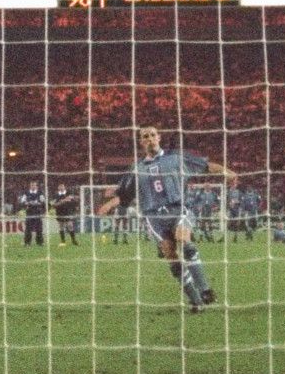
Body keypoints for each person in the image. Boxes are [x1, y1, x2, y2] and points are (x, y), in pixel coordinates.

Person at [96, 125, 230, 312]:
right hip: (153, 217)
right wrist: (110, 204)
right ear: (141, 142)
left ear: (159, 137)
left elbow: (206, 166)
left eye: (152, 135)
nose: (150, 138)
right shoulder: (137, 168)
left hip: (178, 209)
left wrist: (227, 172)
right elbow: (125, 193)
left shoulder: (175, 157)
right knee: (171, 256)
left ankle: (205, 289)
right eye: (145, 136)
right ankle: (196, 301)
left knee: (184, 241)